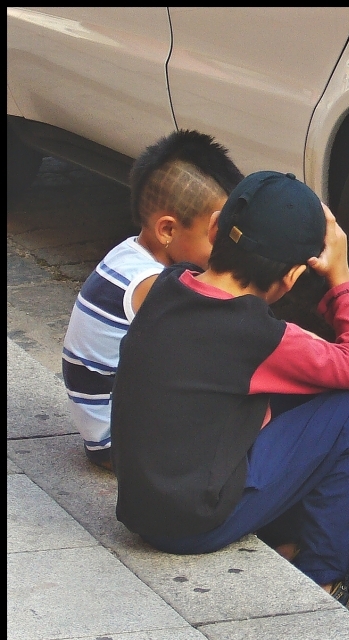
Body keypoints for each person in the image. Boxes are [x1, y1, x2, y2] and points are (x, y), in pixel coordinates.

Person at [109, 170, 349, 636]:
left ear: (216, 228)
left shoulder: (169, 284)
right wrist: (340, 277)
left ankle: (289, 540)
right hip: (191, 522)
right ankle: (335, 579)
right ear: (292, 275)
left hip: (146, 505)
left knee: (305, 400)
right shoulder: (255, 334)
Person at [61, 129, 244, 471]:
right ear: (168, 230)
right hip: (121, 445)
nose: (224, 248)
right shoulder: (151, 284)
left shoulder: (129, 255)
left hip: (106, 431)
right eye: (215, 236)